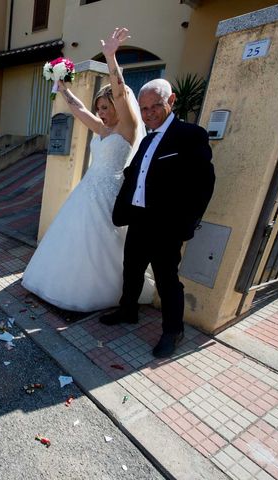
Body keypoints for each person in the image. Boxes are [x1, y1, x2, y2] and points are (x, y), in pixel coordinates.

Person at [22, 28, 154, 311]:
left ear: (119, 106)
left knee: (103, 244)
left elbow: (119, 91)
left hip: (109, 193)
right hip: (88, 189)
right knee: (73, 238)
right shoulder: (102, 129)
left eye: (105, 107)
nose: (102, 113)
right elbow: (80, 111)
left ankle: (104, 293)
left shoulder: (128, 127)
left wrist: (111, 58)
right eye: (100, 108)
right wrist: (63, 87)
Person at [101, 78, 215, 358]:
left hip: (167, 227)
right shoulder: (148, 139)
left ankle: (173, 331)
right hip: (139, 219)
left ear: (171, 101)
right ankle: (128, 311)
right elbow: (137, 175)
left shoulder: (190, 135)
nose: (149, 113)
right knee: (132, 269)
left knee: (167, 280)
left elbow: (204, 184)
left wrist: (185, 225)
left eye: (156, 106)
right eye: (144, 108)